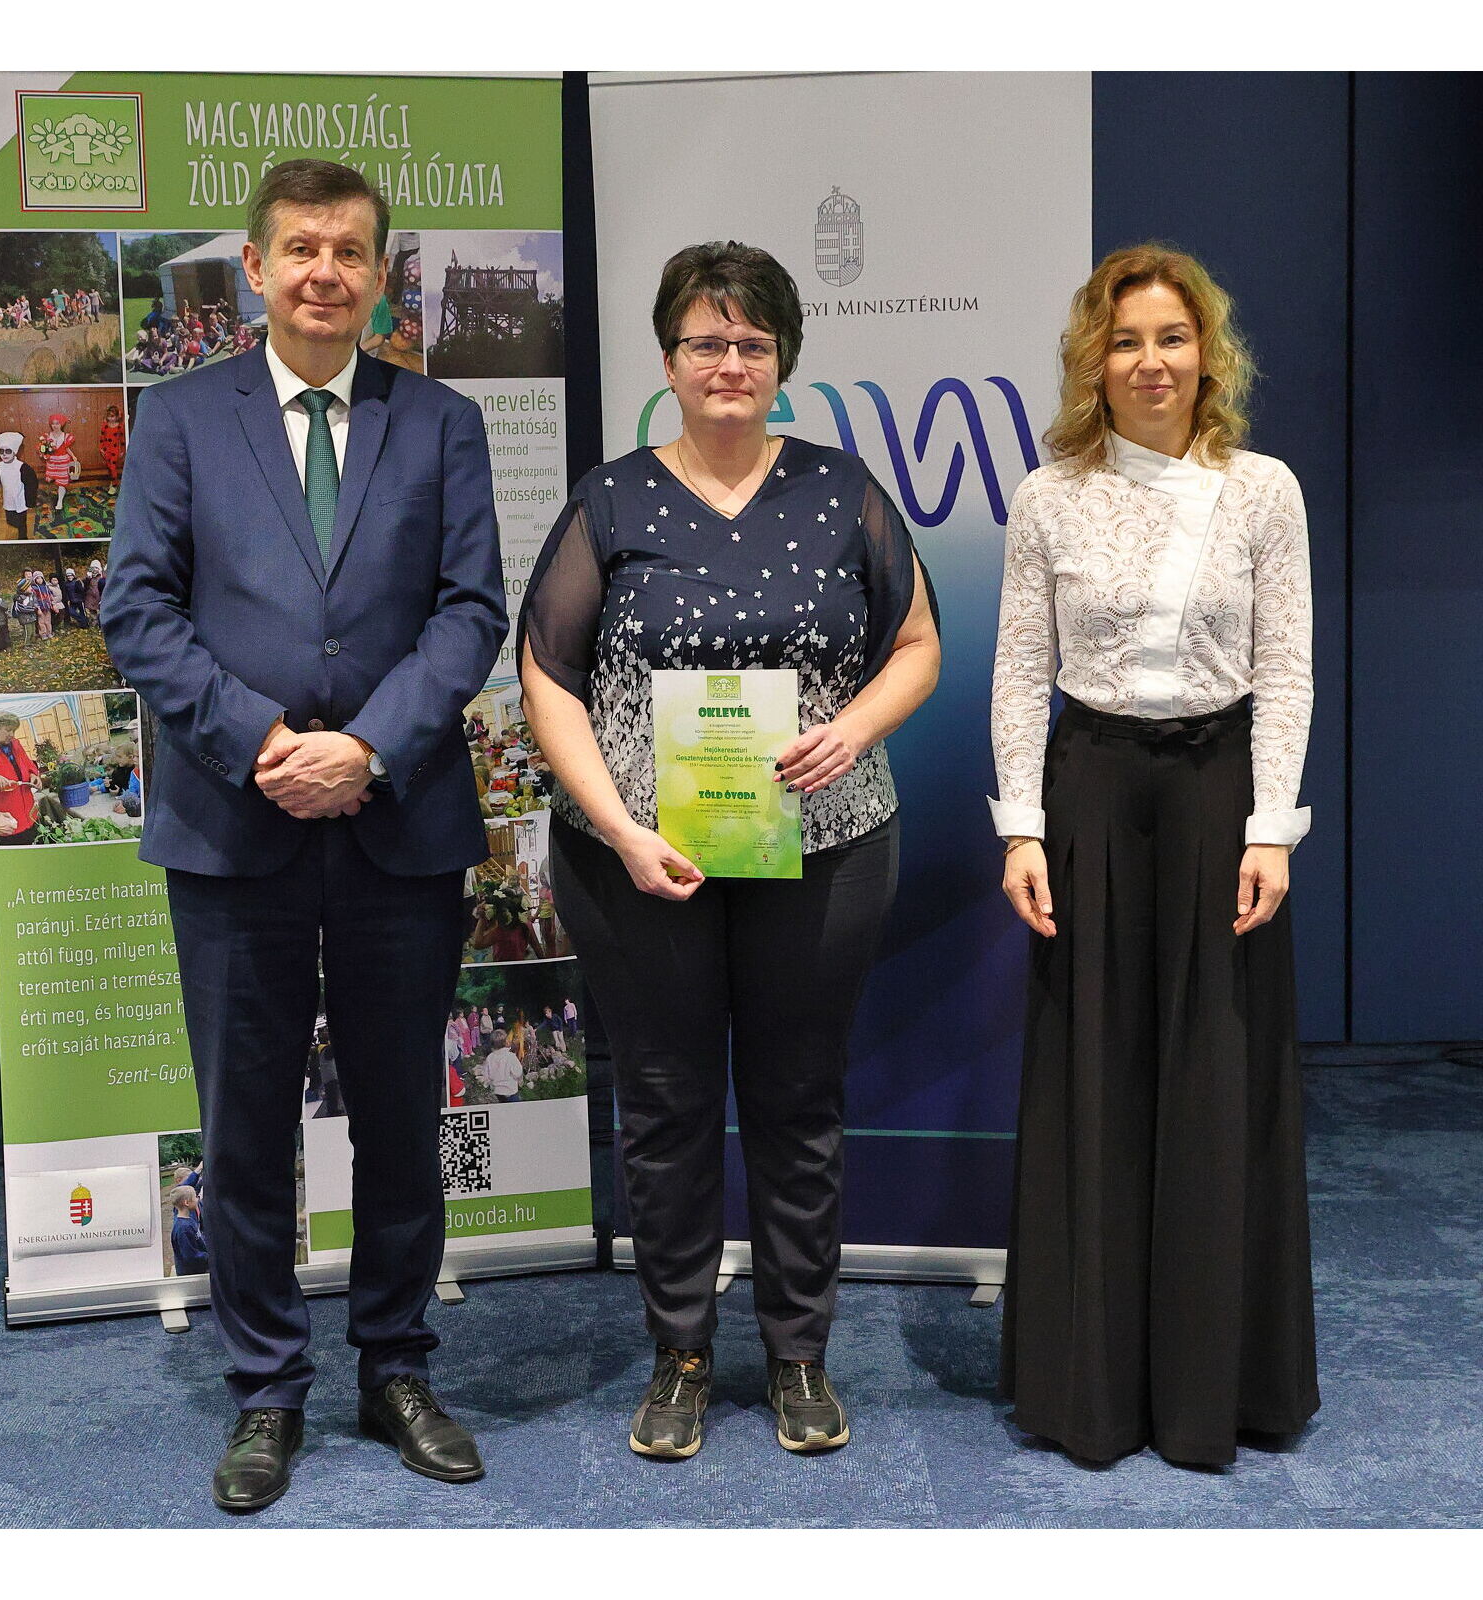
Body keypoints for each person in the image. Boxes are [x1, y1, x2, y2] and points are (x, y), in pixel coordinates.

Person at [102, 158, 506, 1514]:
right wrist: (266, 741)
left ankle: (395, 1366)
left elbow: (470, 609)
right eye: (300, 250)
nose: (324, 272)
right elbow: (137, 607)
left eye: (348, 251)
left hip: (400, 823)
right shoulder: (180, 419)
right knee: (245, 1124)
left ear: (380, 275)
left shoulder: (439, 421)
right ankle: (267, 1387)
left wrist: (369, 748)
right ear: (257, 269)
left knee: (401, 1116)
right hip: (236, 822)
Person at [518, 241, 939, 1460]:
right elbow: (545, 673)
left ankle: (799, 1352)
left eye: (753, 342)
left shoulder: (841, 490)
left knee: (800, 1100)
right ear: (668, 360)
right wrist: (617, 826)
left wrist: (853, 727)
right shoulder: (610, 501)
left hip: (826, 846)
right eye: (706, 341)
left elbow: (917, 644)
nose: (729, 362)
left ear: (783, 360)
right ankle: (682, 1352)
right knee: (664, 1103)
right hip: (643, 859)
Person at [990, 244, 1318, 1469]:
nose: (1149, 361)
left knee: (1215, 1079)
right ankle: (1090, 1390)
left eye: (1171, 337)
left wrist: (1269, 826)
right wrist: (1021, 824)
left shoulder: (1264, 491)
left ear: (1206, 352)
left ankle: (1208, 1391)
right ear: (1092, 359)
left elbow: (1284, 670)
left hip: (1217, 800)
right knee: (1093, 1078)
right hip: (1089, 793)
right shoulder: (1047, 498)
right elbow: (1020, 671)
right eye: (1124, 340)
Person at [0, 713, 41, 844]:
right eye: (8, 730)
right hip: (8, 819)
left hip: (30, 813)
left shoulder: (15, 744)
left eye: (14, 730)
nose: (12, 734)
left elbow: (28, 764)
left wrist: (33, 775)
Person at [0, 431, 38, 540]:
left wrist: (30, 501)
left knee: (21, 523)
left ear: (14, 452)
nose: (4, 454)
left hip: (21, 499)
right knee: (10, 520)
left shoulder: (22, 467)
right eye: (2, 451)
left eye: (8, 451)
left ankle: (23, 539)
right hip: (8, 499)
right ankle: (19, 528)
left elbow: (31, 484)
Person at [169, 1186, 210, 1276]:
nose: (197, 1199)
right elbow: (191, 1256)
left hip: (199, 1269)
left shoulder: (189, 1220)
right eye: (195, 1197)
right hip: (191, 1274)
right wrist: (210, 1257)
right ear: (187, 1202)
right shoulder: (183, 1229)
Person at [478, 1029, 524, 1103]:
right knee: (514, 1107)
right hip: (510, 1091)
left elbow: (486, 1073)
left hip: (497, 1091)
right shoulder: (510, 1056)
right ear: (505, 1042)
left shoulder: (490, 1057)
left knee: (503, 1104)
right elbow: (517, 1073)